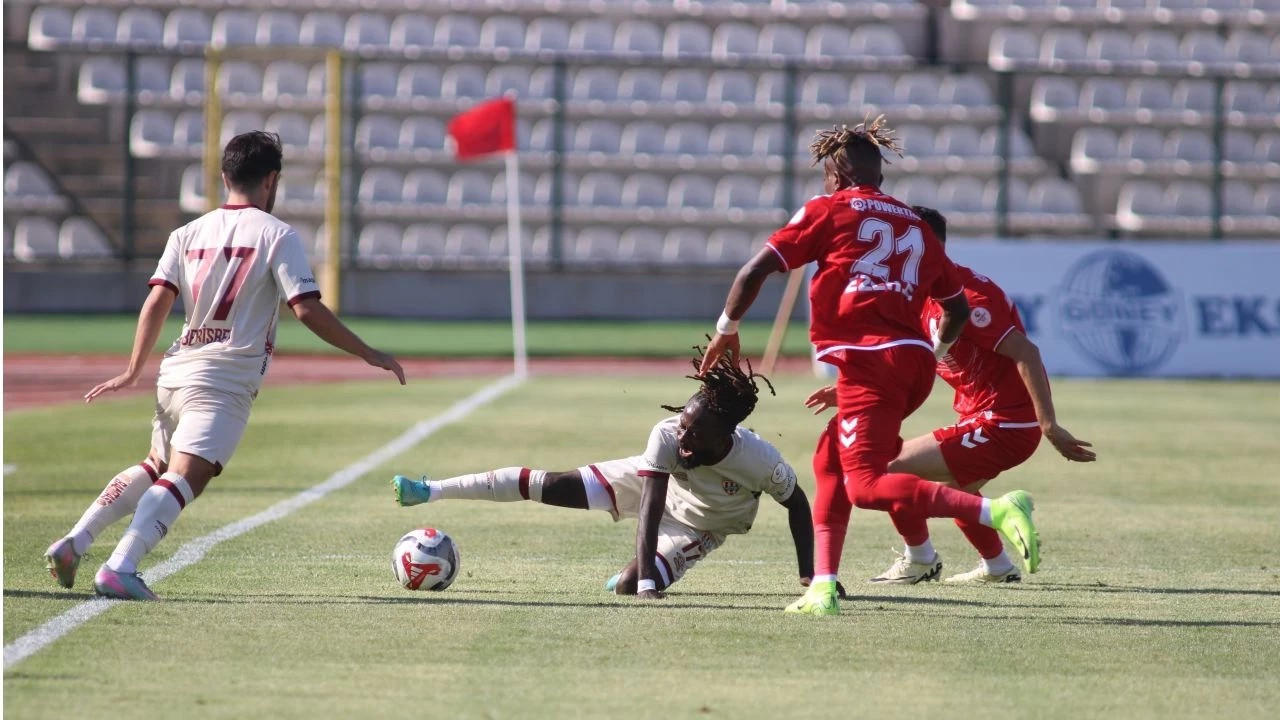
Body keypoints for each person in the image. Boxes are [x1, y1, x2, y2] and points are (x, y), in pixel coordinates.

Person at [698, 116, 1040, 616]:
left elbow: (756, 269)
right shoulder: (917, 226)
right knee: (829, 459)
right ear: (879, 176)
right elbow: (957, 309)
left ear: (835, 176)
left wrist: (727, 330)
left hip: (871, 360)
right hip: (913, 366)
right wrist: (931, 353)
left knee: (867, 486)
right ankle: (823, 585)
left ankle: (996, 510)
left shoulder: (830, 208)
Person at [43, 131, 406, 601]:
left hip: (176, 370)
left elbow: (156, 301)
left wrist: (134, 369)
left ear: (223, 176)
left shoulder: (187, 232)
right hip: (223, 380)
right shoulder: (277, 234)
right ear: (271, 180)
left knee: (156, 464)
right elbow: (307, 308)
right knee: (185, 476)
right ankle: (120, 567)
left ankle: (76, 542)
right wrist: (369, 352)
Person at [805, 206, 1096, 586]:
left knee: (886, 470)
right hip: (982, 418)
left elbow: (1027, 352)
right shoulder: (917, 294)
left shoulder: (970, 297)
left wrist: (1049, 425)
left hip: (1005, 423)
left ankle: (921, 558)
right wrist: (850, 390)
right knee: (959, 497)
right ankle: (998, 567)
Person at [391, 349, 818, 600]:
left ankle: (634, 571)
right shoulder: (668, 437)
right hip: (655, 485)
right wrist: (653, 579)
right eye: (682, 424)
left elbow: (796, 502)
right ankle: (429, 490)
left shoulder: (760, 459)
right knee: (548, 483)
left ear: (724, 434)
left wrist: (808, 572)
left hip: (702, 524)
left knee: (627, 586)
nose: (682, 436)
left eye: (694, 433)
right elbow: (651, 501)